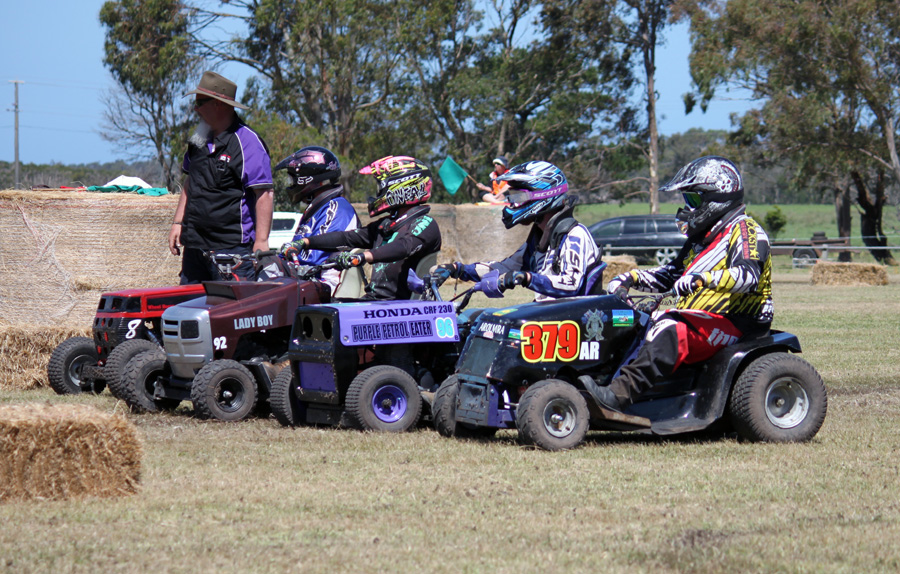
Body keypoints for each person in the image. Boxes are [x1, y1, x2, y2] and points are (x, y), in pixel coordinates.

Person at [593, 156, 773, 412]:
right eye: (686, 200)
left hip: (738, 321)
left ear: (718, 197)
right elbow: (671, 274)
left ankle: (617, 396)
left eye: (693, 200)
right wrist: (630, 277)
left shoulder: (745, 231)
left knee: (670, 329)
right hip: (704, 318)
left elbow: (748, 275)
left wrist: (703, 279)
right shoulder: (703, 238)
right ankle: (603, 379)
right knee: (634, 319)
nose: (688, 207)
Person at [432, 160, 600, 301]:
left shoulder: (574, 235)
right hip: (550, 320)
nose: (512, 203)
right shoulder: (539, 238)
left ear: (543, 195)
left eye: (519, 197)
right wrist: (457, 269)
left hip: (577, 325)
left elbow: (571, 284)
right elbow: (504, 268)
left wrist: (527, 278)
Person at [168, 71, 274, 284]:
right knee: (189, 311)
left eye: (200, 102)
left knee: (231, 314)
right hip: (195, 247)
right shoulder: (198, 136)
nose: (195, 108)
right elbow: (191, 181)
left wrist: (261, 241)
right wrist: (178, 223)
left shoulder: (248, 142)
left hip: (233, 250)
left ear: (219, 104)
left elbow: (264, 193)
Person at [290, 155, 441, 300]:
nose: (378, 194)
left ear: (401, 188)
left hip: (401, 307)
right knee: (318, 308)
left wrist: (362, 257)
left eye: (381, 188)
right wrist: (306, 242)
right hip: (376, 303)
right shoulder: (386, 225)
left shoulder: (425, 223)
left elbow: (403, 246)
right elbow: (347, 237)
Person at [275, 146, 360, 293]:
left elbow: (311, 260)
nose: (291, 184)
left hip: (325, 287)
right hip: (305, 284)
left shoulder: (337, 208)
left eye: (293, 179)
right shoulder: (317, 209)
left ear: (307, 179)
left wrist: (278, 263)